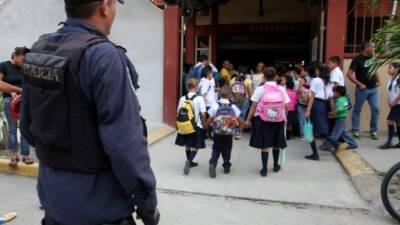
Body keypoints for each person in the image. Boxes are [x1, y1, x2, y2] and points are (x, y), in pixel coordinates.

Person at [20, 1, 159, 224]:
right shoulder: (103, 56)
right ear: (105, 6)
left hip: (54, 203)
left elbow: (27, 126)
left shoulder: (40, 48)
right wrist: (147, 203)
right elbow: (125, 145)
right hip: (100, 209)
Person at [246, 67, 290, 177]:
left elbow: (253, 105)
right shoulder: (281, 89)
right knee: (276, 144)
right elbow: (286, 106)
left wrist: (248, 119)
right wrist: (285, 118)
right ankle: (275, 166)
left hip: (263, 119)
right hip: (278, 119)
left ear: (263, 77)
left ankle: (264, 169)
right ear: (275, 77)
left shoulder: (261, 89)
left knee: (265, 145)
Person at [0, 47, 34, 167]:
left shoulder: (24, 68)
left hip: (24, 100)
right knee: (12, 129)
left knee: (25, 127)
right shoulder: (4, 65)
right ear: (15, 55)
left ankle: (26, 155)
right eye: (21, 58)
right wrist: (13, 91)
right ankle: (14, 156)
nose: (23, 61)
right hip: (10, 101)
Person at [207, 86, 243, 178]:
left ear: (220, 94)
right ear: (230, 95)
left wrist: (205, 126)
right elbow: (238, 118)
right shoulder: (233, 106)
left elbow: (210, 118)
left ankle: (213, 163)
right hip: (228, 133)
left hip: (217, 132)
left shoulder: (215, 105)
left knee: (216, 149)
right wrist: (245, 124)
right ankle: (226, 166)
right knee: (227, 149)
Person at [347, 42, 380, 140]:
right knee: (357, 110)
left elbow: (375, 70)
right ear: (366, 48)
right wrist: (359, 84)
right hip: (362, 90)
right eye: (373, 47)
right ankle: (355, 130)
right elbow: (349, 74)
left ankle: (373, 131)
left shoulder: (372, 58)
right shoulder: (357, 59)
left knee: (375, 109)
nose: (374, 49)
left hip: (373, 89)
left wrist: (379, 81)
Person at [175, 79, 207, 174]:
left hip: (185, 125)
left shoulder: (182, 98)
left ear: (188, 87)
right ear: (196, 87)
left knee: (188, 145)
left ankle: (190, 161)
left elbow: (178, 113)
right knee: (196, 146)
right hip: (196, 125)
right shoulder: (199, 98)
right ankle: (189, 161)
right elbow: (203, 113)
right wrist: (204, 124)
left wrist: (177, 126)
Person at [304, 66, 333, 161]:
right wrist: (331, 110)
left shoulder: (316, 80)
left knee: (311, 129)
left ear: (319, 71)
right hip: (324, 105)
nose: (315, 71)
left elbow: (312, 96)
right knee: (322, 129)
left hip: (316, 104)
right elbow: (330, 98)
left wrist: (308, 110)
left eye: (317, 69)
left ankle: (315, 154)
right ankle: (334, 143)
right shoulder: (328, 82)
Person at [320, 86, 358, 151]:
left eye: (334, 92)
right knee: (343, 133)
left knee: (336, 132)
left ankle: (329, 145)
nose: (334, 94)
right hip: (343, 117)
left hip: (340, 118)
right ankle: (353, 143)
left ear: (338, 93)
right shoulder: (345, 99)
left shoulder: (340, 100)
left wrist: (333, 113)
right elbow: (346, 108)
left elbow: (339, 109)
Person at [380, 62, 400, 149]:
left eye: (390, 67)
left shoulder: (399, 79)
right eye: (388, 68)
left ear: (397, 69)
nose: (388, 69)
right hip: (394, 105)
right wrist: (389, 101)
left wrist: (394, 101)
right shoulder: (391, 79)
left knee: (389, 121)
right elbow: (390, 92)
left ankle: (389, 142)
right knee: (398, 123)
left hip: (398, 104)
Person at [230, 73, 253, 139]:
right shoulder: (248, 81)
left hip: (235, 100)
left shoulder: (233, 80)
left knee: (235, 115)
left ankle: (234, 131)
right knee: (242, 116)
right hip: (245, 100)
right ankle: (239, 133)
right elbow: (251, 93)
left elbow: (230, 90)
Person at [297, 66, 312, 137]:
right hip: (309, 100)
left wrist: (298, 90)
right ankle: (308, 133)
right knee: (307, 117)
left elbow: (300, 89)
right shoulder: (312, 79)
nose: (301, 72)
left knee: (301, 118)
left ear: (306, 71)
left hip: (302, 100)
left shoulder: (303, 79)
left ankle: (302, 134)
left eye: (302, 71)